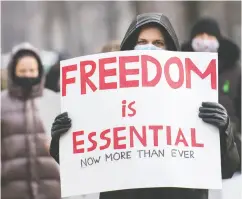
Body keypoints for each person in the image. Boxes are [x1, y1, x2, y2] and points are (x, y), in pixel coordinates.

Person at [49, 13, 239, 199]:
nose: (150, 48)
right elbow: (81, 166)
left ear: (171, 48)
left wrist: (223, 132)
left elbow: (227, 169)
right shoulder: (105, 98)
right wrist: (61, 140)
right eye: (142, 42)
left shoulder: (194, 94)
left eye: (158, 43)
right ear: (130, 47)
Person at [1, 42, 61, 199]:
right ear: (13, 72)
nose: (28, 75)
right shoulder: (1, 104)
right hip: (12, 190)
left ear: (39, 71)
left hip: (51, 189)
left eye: (32, 70)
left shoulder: (54, 101)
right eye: (22, 70)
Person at [181, 18, 241, 172]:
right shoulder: (179, 70)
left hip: (229, 148)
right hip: (190, 148)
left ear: (218, 40)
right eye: (200, 35)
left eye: (209, 36)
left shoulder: (235, 72)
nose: (205, 40)